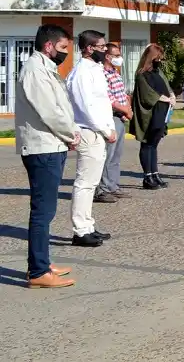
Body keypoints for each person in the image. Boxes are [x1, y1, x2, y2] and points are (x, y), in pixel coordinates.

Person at [15, 24, 80, 288]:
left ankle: (42, 262)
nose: (66, 53)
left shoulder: (45, 69)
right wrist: (71, 134)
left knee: (46, 211)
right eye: (63, 47)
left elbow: (60, 107)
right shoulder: (34, 70)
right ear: (49, 46)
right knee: (43, 211)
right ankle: (38, 271)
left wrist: (68, 132)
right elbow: (49, 112)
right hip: (43, 147)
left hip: (52, 145)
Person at [66, 30, 116, 248]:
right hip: (90, 130)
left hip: (99, 131)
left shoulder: (95, 69)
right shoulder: (81, 73)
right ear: (88, 48)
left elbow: (103, 102)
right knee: (85, 183)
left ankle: (88, 225)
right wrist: (105, 129)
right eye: (101, 47)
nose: (105, 51)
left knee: (92, 182)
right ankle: (80, 230)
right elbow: (87, 107)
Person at [130, 43, 174, 189]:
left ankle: (155, 173)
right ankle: (147, 176)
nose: (159, 61)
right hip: (150, 114)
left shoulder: (158, 72)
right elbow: (148, 94)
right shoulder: (142, 75)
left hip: (162, 112)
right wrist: (164, 98)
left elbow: (166, 86)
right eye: (158, 57)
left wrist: (172, 96)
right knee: (147, 144)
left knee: (154, 145)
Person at [94, 42, 132, 204]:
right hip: (110, 116)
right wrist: (124, 109)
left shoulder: (115, 73)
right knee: (107, 155)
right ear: (107, 56)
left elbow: (122, 94)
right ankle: (101, 189)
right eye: (116, 55)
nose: (119, 58)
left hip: (120, 117)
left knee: (116, 155)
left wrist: (127, 107)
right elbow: (109, 98)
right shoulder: (102, 73)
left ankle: (113, 185)